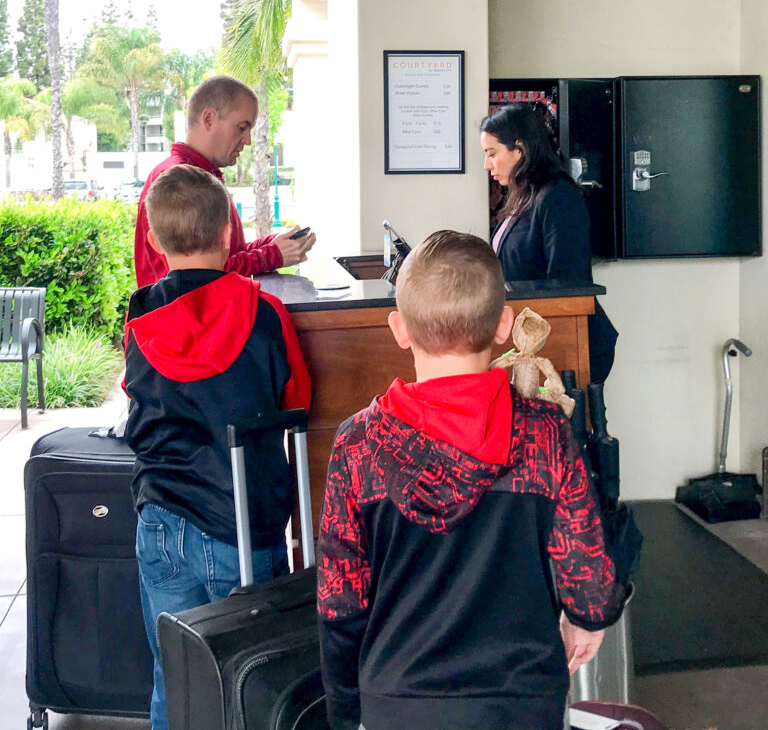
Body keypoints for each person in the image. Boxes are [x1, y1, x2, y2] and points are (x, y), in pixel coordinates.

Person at [317, 230, 627, 730]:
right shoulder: (545, 435)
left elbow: (340, 601)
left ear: (399, 329)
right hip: (521, 700)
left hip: (398, 700)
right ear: (505, 324)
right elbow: (588, 581)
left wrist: (346, 710)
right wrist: (588, 620)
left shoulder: (359, 445)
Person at [123, 164, 312, 730]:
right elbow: (296, 396)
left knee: (173, 673)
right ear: (229, 234)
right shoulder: (263, 310)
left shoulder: (140, 312)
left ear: (154, 240)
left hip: (161, 515)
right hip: (243, 518)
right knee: (255, 673)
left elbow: (134, 388)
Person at [133, 74, 316, 287]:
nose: (247, 140)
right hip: (184, 318)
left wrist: (273, 245)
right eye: (241, 127)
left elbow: (222, 256)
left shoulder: (201, 175)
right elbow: (194, 274)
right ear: (209, 119)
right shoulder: (175, 179)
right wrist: (270, 256)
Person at [480, 102, 618, 384]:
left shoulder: (558, 197)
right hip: (538, 339)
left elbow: (568, 283)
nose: (487, 165)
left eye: (492, 153)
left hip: (569, 344)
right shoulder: (522, 196)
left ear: (519, 149)